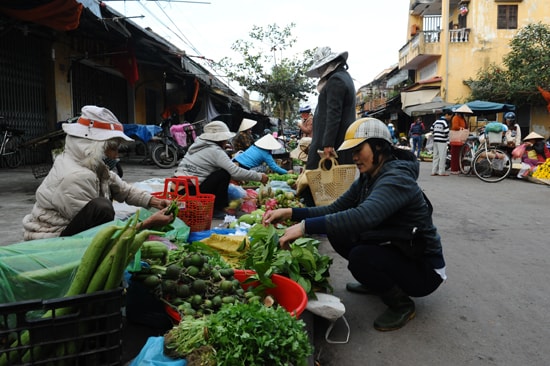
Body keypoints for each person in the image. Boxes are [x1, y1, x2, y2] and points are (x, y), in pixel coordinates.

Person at [263, 117, 446, 331]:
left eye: (359, 150)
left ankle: (402, 304)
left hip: (424, 269)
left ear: (379, 146)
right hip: (399, 248)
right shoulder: (368, 177)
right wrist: (291, 213)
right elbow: (334, 209)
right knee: (339, 233)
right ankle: (377, 281)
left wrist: (303, 228)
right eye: (353, 152)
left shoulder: (397, 179)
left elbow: (363, 216)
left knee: (360, 257)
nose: (355, 157)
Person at [22, 105, 174, 241]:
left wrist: (155, 202)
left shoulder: (90, 164)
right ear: (94, 146)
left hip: (67, 227)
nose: (116, 155)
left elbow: (123, 190)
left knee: (108, 209)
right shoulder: (77, 176)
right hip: (51, 239)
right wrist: (148, 223)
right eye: (113, 148)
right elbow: (100, 233)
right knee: (103, 208)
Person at [174, 121, 268, 218]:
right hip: (190, 191)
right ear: (220, 139)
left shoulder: (198, 146)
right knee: (224, 174)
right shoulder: (215, 151)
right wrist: (260, 177)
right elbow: (235, 172)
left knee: (221, 173)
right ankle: (217, 209)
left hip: (177, 189)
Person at [305, 46, 356, 170]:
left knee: (317, 176)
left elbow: (334, 113)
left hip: (333, 143)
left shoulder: (336, 80)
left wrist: (328, 144)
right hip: (337, 141)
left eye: (320, 68)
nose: (319, 72)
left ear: (327, 64)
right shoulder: (344, 77)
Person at [430, 109, 451, 176]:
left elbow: (431, 129)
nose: (450, 118)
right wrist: (446, 138)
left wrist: (435, 135)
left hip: (435, 140)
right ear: (447, 115)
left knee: (435, 156)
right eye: (450, 116)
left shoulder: (436, 121)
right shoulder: (444, 122)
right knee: (442, 156)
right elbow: (447, 132)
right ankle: (441, 172)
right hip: (442, 141)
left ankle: (433, 171)